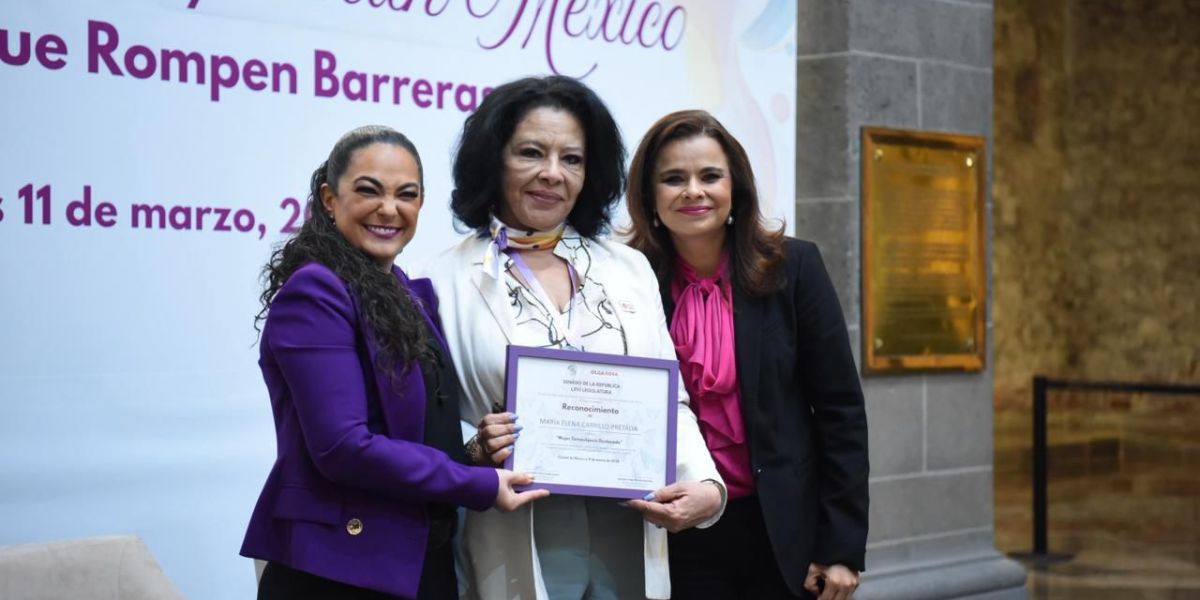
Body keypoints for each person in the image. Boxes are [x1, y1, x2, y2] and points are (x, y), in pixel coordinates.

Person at [419, 76, 726, 600]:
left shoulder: (628, 268)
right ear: (493, 160)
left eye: (573, 159)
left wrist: (707, 487)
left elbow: (667, 399)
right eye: (531, 153)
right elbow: (427, 423)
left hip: (626, 533)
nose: (552, 175)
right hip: (514, 537)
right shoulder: (438, 280)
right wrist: (475, 446)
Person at [240, 125, 547, 600]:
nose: (389, 209)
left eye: (407, 194)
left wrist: (474, 454)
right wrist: (477, 483)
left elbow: (410, 436)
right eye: (368, 191)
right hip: (338, 572)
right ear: (328, 197)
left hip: (418, 560)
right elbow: (344, 447)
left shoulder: (405, 291)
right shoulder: (316, 291)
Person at [624, 110, 870, 600]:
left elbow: (841, 413)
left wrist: (840, 546)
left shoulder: (794, 267)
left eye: (710, 176)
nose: (693, 190)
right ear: (650, 198)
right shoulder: (628, 279)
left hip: (780, 529)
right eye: (674, 179)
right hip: (675, 528)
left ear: (735, 187)